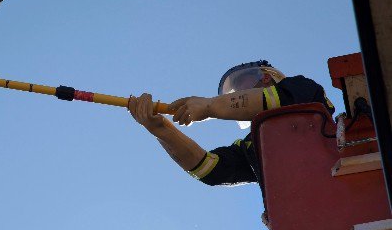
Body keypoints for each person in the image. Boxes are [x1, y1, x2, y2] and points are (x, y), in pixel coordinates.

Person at [128, 61, 335, 188]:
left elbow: (276, 100)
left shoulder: (302, 89)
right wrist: (161, 130)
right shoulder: (252, 145)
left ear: (265, 76)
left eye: (239, 85)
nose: (236, 94)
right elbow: (210, 170)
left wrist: (209, 106)